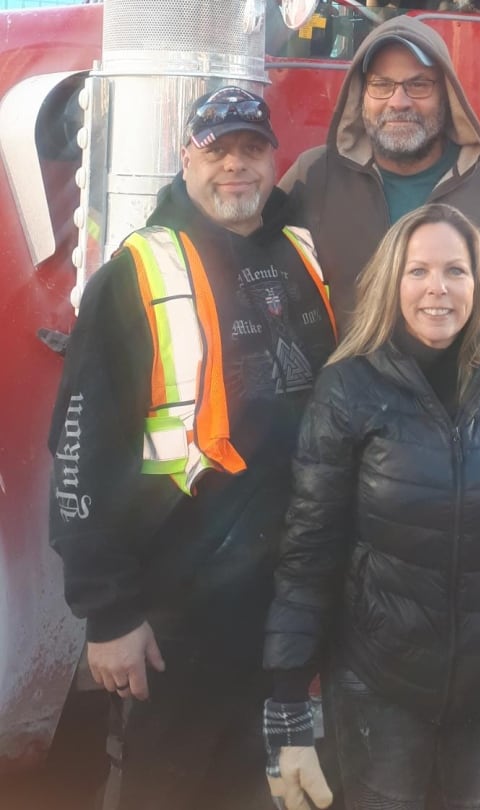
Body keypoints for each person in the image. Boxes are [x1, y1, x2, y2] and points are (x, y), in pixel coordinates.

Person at [279, 16, 480, 806]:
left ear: (448, 96)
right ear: (359, 96)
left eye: (419, 84)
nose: (400, 101)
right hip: (361, 505)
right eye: (382, 85)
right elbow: (237, 240)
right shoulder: (313, 180)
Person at [262, 204, 480, 810]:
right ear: (393, 283)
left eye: (456, 270)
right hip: (379, 688)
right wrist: (287, 704)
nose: (437, 289)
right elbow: (308, 552)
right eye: (418, 271)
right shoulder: (348, 390)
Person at [48, 86, 337, 810]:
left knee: (263, 782)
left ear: (273, 159)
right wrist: (107, 615)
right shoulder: (137, 272)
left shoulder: (301, 253)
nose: (235, 167)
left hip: (287, 595)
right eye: (217, 151)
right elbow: (80, 445)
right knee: (168, 786)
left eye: (250, 149)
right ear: (186, 159)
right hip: (182, 604)